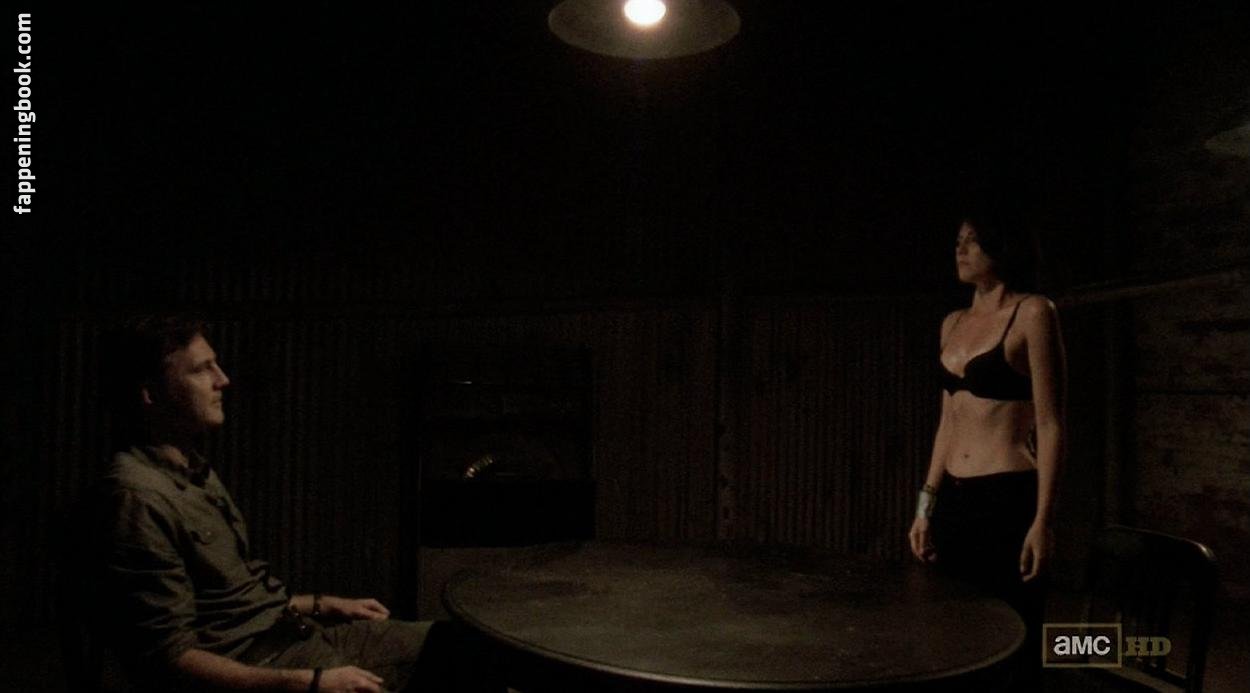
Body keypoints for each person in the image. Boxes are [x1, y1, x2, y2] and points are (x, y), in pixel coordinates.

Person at [89, 315, 492, 692]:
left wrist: (320, 604)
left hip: (293, 634)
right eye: (201, 370)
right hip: (264, 665)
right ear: (150, 393)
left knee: (469, 647)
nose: (222, 380)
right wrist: (309, 683)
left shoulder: (192, 468)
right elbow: (168, 658)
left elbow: (228, 602)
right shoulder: (138, 497)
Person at [906, 211, 1066, 683]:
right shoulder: (952, 323)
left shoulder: (1033, 313)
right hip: (954, 500)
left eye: (973, 241)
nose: (960, 250)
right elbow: (946, 422)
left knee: (1012, 635)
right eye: (958, 240)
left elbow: (1051, 424)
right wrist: (924, 507)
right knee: (951, 632)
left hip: (1007, 496)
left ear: (1002, 247)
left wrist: (1043, 521)